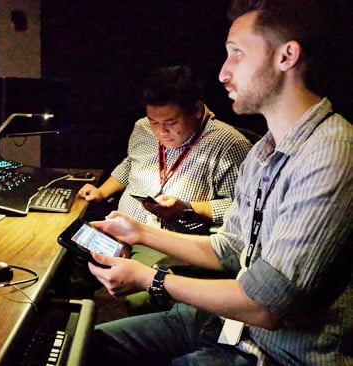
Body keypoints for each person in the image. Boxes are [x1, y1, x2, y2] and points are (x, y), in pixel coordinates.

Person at [84, 0, 353, 364]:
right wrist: (139, 232)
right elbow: (230, 248)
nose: (224, 73)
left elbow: (266, 307)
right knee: (86, 345)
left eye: (237, 54)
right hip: (234, 327)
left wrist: (151, 279)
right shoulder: (264, 151)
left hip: (279, 352)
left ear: (286, 56)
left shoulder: (333, 152)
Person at [74, 65, 252, 312]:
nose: (160, 131)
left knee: (136, 298)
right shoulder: (142, 128)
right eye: (154, 121)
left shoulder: (229, 145)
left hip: (167, 241)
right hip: (120, 226)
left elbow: (242, 209)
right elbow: (131, 163)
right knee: (67, 259)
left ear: (198, 110)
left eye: (170, 122)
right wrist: (102, 192)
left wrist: (187, 210)